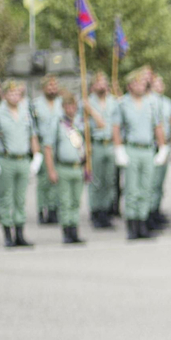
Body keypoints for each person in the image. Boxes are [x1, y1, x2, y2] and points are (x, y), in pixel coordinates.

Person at [111, 67, 167, 240]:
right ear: (130, 85)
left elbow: (157, 126)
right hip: (132, 148)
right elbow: (116, 128)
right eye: (138, 82)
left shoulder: (152, 103)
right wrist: (119, 149)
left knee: (146, 188)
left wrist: (162, 147)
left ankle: (143, 223)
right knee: (132, 189)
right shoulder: (122, 103)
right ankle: (132, 225)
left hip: (147, 149)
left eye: (144, 82)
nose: (142, 86)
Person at [0, 80, 39, 248]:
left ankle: (20, 233)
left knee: (21, 199)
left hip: (23, 159)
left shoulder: (25, 112)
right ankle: (8, 234)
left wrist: (36, 156)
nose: (14, 96)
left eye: (17, 93)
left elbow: (32, 136)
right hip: (6, 159)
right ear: (4, 95)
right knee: (6, 198)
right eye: (11, 93)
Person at [42, 90, 98, 245]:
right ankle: (66, 231)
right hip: (64, 167)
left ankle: (74, 230)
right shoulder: (58, 123)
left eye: (73, 106)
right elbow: (48, 147)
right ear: (63, 107)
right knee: (65, 202)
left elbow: (98, 129)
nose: (71, 109)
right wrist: (51, 170)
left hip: (77, 167)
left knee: (75, 201)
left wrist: (90, 110)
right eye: (68, 106)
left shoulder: (81, 123)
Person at [86, 73, 119, 227]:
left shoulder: (113, 101)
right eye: (98, 82)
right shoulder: (88, 103)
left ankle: (106, 210)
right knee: (96, 180)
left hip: (110, 143)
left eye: (104, 81)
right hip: (96, 144)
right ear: (93, 86)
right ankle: (95, 210)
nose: (102, 85)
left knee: (109, 180)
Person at [32, 76, 65, 224]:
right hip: (43, 145)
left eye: (54, 86)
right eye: (49, 86)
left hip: (59, 146)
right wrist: (35, 149)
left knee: (57, 178)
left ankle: (54, 209)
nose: (52, 89)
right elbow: (32, 128)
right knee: (44, 180)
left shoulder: (61, 103)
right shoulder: (36, 105)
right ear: (43, 88)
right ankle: (42, 209)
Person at [147, 74, 171, 228]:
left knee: (159, 183)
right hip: (153, 145)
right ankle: (148, 214)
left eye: (161, 83)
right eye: (156, 83)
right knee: (151, 183)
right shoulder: (149, 101)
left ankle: (156, 210)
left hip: (166, 144)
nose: (160, 86)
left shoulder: (167, 102)